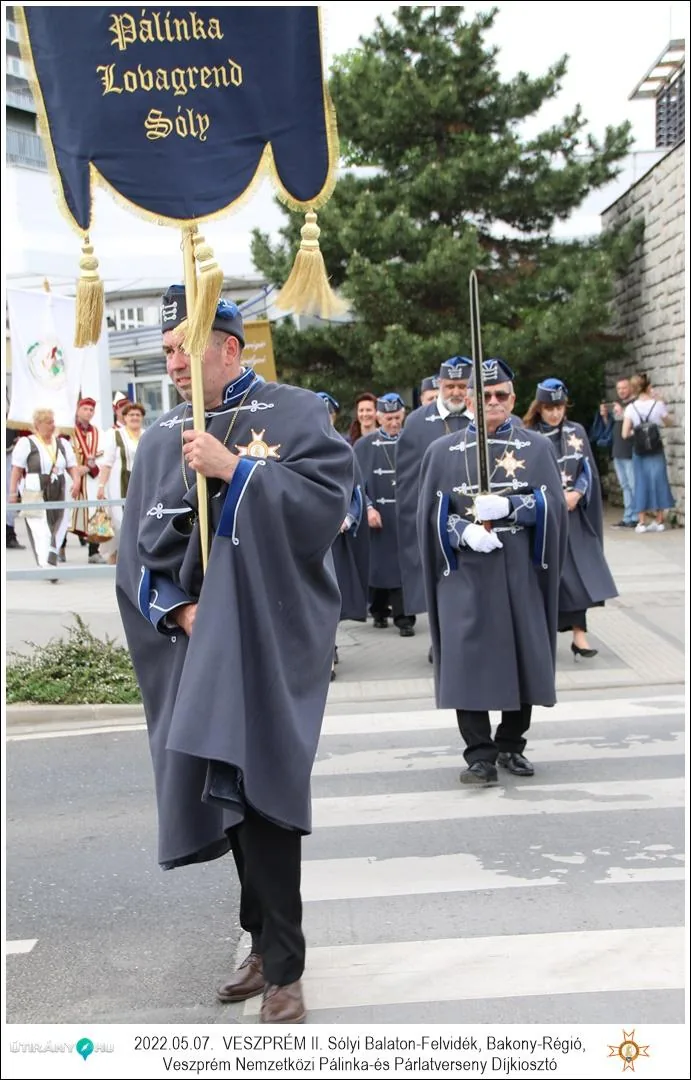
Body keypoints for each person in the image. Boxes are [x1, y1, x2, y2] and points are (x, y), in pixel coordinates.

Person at [115, 286, 353, 1024]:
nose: (172, 364)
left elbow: (327, 507)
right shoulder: (161, 436)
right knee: (228, 796)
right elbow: (136, 557)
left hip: (265, 642)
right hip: (195, 646)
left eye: (183, 350)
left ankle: (285, 970)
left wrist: (235, 470)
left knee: (266, 794)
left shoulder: (294, 412)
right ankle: (262, 944)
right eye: (165, 352)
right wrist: (179, 609)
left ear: (228, 347)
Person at [417, 358, 567, 785]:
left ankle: (511, 743)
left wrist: (513, 506)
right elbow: (427, 516)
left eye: (501, 394)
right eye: (484, 396)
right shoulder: (441, 452)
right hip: (466, 574)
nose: (494, 402)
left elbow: (554, 507)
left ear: (514, 400)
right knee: (467, 659)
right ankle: (479, 754)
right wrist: (462, 531)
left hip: (519, 572)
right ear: (468, 400)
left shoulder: (536, 448)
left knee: (523, 655)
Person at [523, 378, 618, 659]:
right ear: (539, 408)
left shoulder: (576, 432)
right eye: (549, 408)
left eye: (559, 407)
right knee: (545, 577)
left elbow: (587, 469)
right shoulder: (527, 435)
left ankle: (580, 635)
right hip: (542, 518)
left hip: (573, 517)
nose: (555, 413)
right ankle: (541, 637)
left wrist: (577, 493)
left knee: (577, 576)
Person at [396, 356, 471, 619]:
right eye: (450, 386)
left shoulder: (484, 417)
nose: (456, 392)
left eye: (462, 386)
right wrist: (413, 522)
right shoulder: (416, 422)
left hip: (477, 516)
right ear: (440, 385)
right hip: (438, 519)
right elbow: (407, 481)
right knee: (442, 588)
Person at [317, 392, 370, 680]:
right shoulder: (295, 444)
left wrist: (347, 518)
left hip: (334, 539)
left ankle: (329, 650)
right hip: (305, 537)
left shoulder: (342, 448)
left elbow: (355, 491)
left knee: (330, 596)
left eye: (328, 413)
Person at [354, 392, 416, 636]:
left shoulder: (412, 441)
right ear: (379, 418)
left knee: (402, 567)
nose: (394, 423)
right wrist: (368, 507)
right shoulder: (363, 445)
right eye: (389, 418)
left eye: (397, 418)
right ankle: (378, 610)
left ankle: (404, 618)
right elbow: (356, 483)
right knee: (379, 566)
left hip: (405, 514)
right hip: (378, 515)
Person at [9, 408, 81, 575]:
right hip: (35, 488)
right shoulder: (27, 443)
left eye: (53, 422)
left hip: (59, 487)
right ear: (38, 425)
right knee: (39, 526)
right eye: (48, 422)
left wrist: (76, 481)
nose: (52, 425)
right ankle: (45, 564)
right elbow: (16, 470)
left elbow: (72, 466)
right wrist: (12, 493)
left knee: (59, 523)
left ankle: (51, 556)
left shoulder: (62, 444)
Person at [621, 373, 675, 533]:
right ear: (648, 386)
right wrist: (661, 402)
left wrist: (638, 431)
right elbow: (669, 422)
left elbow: (624, 434)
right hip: (656, 449)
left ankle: (642, 522)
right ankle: (659, 520)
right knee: (659, 481)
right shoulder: (657, 405)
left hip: (640, 451)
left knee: (640, 482)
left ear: (634, 389)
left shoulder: (631, 408)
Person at [96, 401, 146, 565]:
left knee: (140, 519)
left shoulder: (146, 434)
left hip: (141, 482)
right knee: (119, 521)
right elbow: (107, 463)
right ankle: (115, 554)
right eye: (131, 415)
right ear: (124, 417)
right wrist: (101, 486)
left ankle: (133, 557)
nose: (134, 418)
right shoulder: (115, 435)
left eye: (138, 415)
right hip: (119, 483)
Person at [589, 377, 637, 529]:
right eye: (619, 389)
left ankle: (636, 517)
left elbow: (636, 425)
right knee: (625, 486)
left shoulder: (635, 405)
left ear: (631, 388)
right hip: (617, 450)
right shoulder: (618, 405)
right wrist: (605, 416)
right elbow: (610, 428)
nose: (621, 391)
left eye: (624, 388)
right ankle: (628, 517)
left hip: (631, 451)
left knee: (633, 485)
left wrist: (622, 412)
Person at [69, 396, 104, 564]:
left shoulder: (96, 432)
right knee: (68, 513)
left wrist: (89, 468)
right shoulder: (69, 431)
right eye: (85, 409)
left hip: (91, 479)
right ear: (78, 410)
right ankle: (60, 547)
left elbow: (102, 454)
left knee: (94, 511)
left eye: (91, 410)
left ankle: (93, 551)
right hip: (72, 478)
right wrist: (75, 468)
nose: (89, 412)